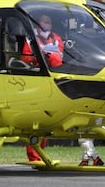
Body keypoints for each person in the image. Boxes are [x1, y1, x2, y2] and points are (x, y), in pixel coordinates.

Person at [24, 14, 63, 162]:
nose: (48, 25)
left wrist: (49, 55)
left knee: (47, 122)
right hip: (36, 78)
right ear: (39, 24)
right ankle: (34, 157)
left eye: (50, 22)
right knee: (36, 122)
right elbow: (25, 57)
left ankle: (39, 154)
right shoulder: (31, 37)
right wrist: (40, 57)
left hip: (53, 79)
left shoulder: (56, 38)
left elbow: (60, 55)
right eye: (45, 22)